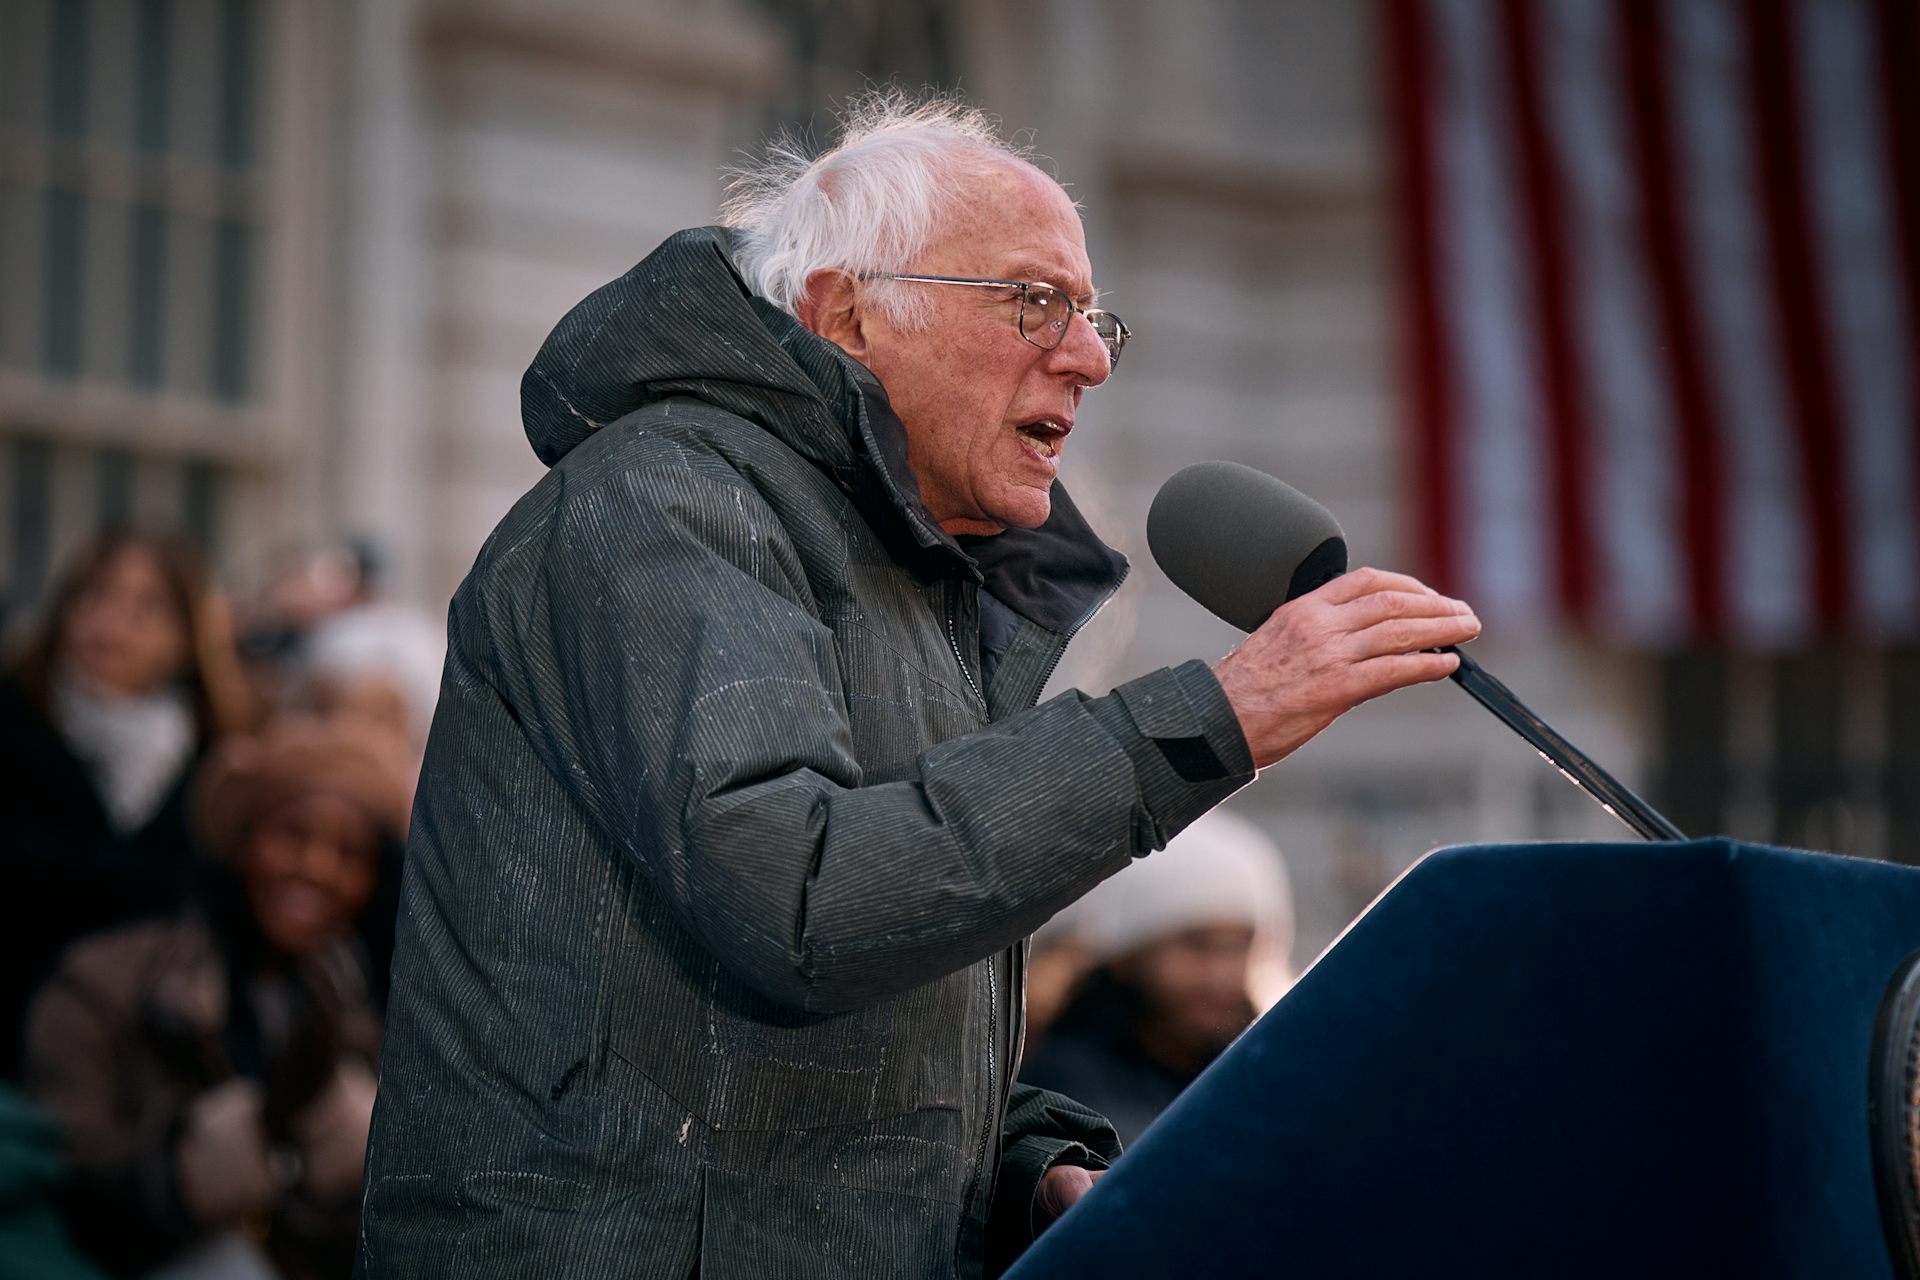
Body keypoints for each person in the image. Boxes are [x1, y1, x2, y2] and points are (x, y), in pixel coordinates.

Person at [360, 92, 1478, 1279]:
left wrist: (1024, 1167)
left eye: (1094, 315)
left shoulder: (908, 560)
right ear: (847, 314)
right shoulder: (666, 501)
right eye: (1033, 301)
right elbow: (801, 903)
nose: (1091, 357)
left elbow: (843, 1011)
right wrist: (1211, 719)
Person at [24, 717, 410, 1280]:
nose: (318, 868)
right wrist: (177, 1179)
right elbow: (53, 1173)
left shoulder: (355, 1015)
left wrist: (356, 1181)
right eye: (293, 836)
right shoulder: (103, 982)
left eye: (351, 855)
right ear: (242, 842)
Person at [0, 532, 253, 1080]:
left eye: (146, 608)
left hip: (150, 1072)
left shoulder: (220, 767)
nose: (111, 624)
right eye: (96, 595)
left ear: (187, 637)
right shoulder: (13, 726)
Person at [1020, 808, 1293, 1147]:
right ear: (1130, 957)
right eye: (1197, 945)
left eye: (1239, 946)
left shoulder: (1267, 1076)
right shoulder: (1065, 1090)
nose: (1221, 977)